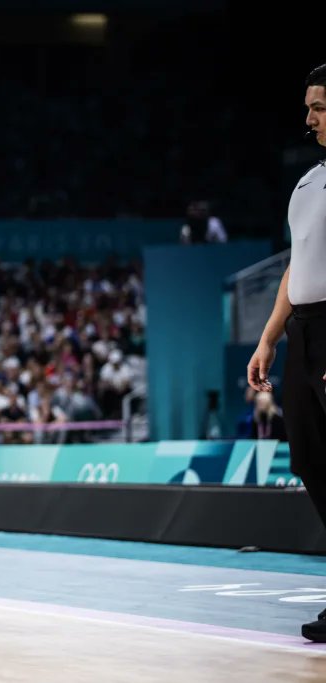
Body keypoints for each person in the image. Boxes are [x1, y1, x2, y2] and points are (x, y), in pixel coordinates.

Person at [247, 62, 326, 643]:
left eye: (318, 106)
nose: (309, 117)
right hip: (303, 332)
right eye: (307, 106)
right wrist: (270, 337)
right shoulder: (306, 185)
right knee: (312, 464)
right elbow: (297, 267)